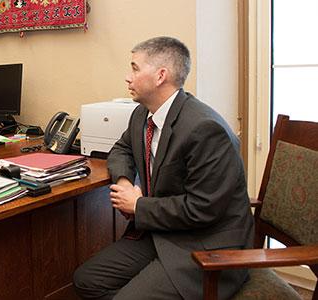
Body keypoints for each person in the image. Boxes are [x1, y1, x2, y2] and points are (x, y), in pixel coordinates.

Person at [73, 36, 254, 300]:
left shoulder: (205, 129)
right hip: (163, 231)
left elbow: (202, 209)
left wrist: (138, 206)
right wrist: (124, 181)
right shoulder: (143, 114)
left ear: (160, 76)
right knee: (86, 280)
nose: (127, 77)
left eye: (135, 68)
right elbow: (121, 149)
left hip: (205, 243)